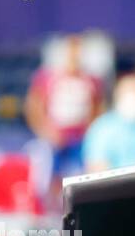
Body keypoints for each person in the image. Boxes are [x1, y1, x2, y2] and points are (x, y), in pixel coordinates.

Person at [23, 34, 104, 183]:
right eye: (70, 52)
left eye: (78, 52)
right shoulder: (47, 77)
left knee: (83, 177)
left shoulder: (91, 79)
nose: (74, 57)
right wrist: (45, 131)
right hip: (54, 139)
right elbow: (34, 107)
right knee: (51, 180)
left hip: (80, 140)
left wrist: (90, 133)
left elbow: (97, 108)